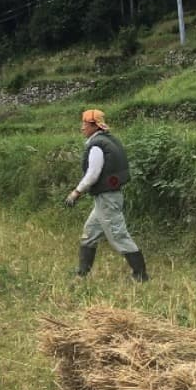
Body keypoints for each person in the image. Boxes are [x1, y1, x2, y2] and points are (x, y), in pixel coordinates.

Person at [65, 109, 149, 282]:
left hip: (107, 199)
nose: (82, 128)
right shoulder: (109, 140)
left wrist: (76, 192)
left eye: (84, 124)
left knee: (119, 235)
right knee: (90, 233)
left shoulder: (96, 145)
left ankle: (140, 275)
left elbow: (93, 174)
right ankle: (82, 274)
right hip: (107, 198)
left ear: (94, 126)